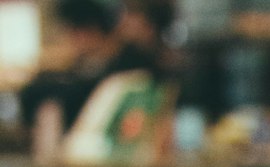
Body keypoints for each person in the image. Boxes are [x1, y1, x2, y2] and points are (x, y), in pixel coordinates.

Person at [19, 0, 168, 134]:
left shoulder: (130, 62)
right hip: (82, 142)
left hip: (113, 143)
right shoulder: (85, 64)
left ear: (88, 31)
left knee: (50, 107)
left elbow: (79, 94)